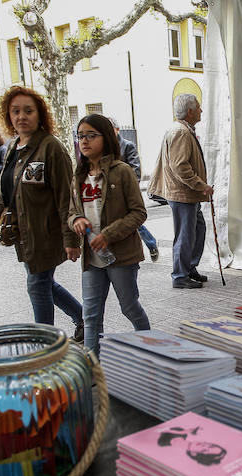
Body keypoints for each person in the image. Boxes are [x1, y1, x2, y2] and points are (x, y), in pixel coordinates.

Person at [0, 86, 84, 341]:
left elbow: (66, 198)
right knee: (42, 283)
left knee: (37, 285)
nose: (21, 116)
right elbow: (4, 193)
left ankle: (46, 343)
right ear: (8, 116)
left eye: (28, 111)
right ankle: (84, 318)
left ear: (40, 115)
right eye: (15, 111)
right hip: (24, 234)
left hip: (46, 235)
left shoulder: (51, 148)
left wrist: (71, 240)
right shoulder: (13, 147)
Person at [68, 114, 151, 358]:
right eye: (80, 136)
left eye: (91, 135)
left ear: (107, 137)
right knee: (91, 315)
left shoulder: (122, 172)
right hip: (91, 259)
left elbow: (139, 213)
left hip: (121, 256)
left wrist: (108, 234)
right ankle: (93, 366)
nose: (84, 141)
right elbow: (70, 211)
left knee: (129, 307)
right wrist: (76, 221)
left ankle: (151, 348)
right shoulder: (78, 176)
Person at [148, 93, 212, 289]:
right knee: (186, 235)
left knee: (197, 229)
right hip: (183, 194)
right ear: (190, 111)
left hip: (187, 194)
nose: (201, 110)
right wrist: (202, 186)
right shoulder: (181, 132)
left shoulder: (183, 130)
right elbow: (180, 167)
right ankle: (180, 275)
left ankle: (189, 268)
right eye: (199, 107)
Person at [109, 117, 159, 262]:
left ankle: (151, 244)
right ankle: (150, 244)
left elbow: (136, 170)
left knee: (133, 222)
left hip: (126, 193)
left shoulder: (127, 146)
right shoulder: (106, 148)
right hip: (113, 195)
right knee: (127, 223)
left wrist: (129, 189)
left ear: (117, 129)